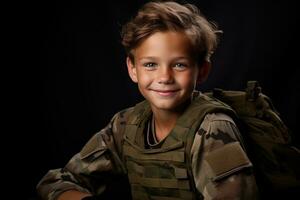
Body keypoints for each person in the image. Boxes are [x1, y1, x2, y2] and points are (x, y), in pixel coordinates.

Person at [37, 1, 258, 199]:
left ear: (202, 71)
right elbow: (54, 182)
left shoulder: (212, 129)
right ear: (132, 69)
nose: (164, 77)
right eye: (150, 64)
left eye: (179, 64)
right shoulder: (126, 125)